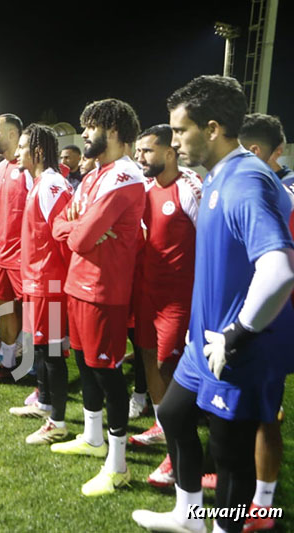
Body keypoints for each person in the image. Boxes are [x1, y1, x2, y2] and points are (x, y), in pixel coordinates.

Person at [133, 76, 294, 533]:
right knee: (173, 413)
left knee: (230, 455)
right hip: (204, 340)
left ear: (212, 128)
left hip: (237, 349)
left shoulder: (245, 180)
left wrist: (237, 333)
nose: (174, 141)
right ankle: (189, 516)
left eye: (180, 131)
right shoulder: (218, 175)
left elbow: (278, 270)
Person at [49, 98, 145, 497]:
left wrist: (80, 230)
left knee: (107, 372)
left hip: (104, 290)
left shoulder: (124, 177)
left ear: (115, 132)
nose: (85, 133)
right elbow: (59, 225)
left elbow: (79, 237)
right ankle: (92, 438)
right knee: (85, 365)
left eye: (92, 126)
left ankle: (118, 465)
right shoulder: (93, 176)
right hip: (78, 283)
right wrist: (80, 230)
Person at [129, 125, 203, 488]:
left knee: (168, 366)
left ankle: (180, 453)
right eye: (139, 151)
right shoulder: (145, 189)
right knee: (146, 356)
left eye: (147, 151)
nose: (140, 157)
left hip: (179, 298)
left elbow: (210, 240)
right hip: (149, 293)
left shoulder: (190, 187)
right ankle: (163, 426)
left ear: (170, 152)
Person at [236, 112, 292, 531]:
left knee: (264, 412)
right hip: (256, 312)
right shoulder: (261, 188)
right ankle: (243, 481)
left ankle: (263, 506)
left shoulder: (271, 193)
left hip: (272, 317)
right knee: (247, 407)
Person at [7, 125, 74, 445]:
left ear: (37, 151)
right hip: (38, 281)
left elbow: (65, 237)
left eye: (22, 147)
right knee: (43, 347)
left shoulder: (51, 185)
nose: (17, 152)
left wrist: (62, 282)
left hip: (51, 283)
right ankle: (45, 403)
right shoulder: (41, 183)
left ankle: (58, 422)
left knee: (53, 351)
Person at [0, 113, 29, 377]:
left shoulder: (30, 169)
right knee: (2, 307)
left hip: (25, 257)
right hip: (0, 255)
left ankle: (32, 363)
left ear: (13, 133)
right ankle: (8, 361)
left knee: (31, 311)